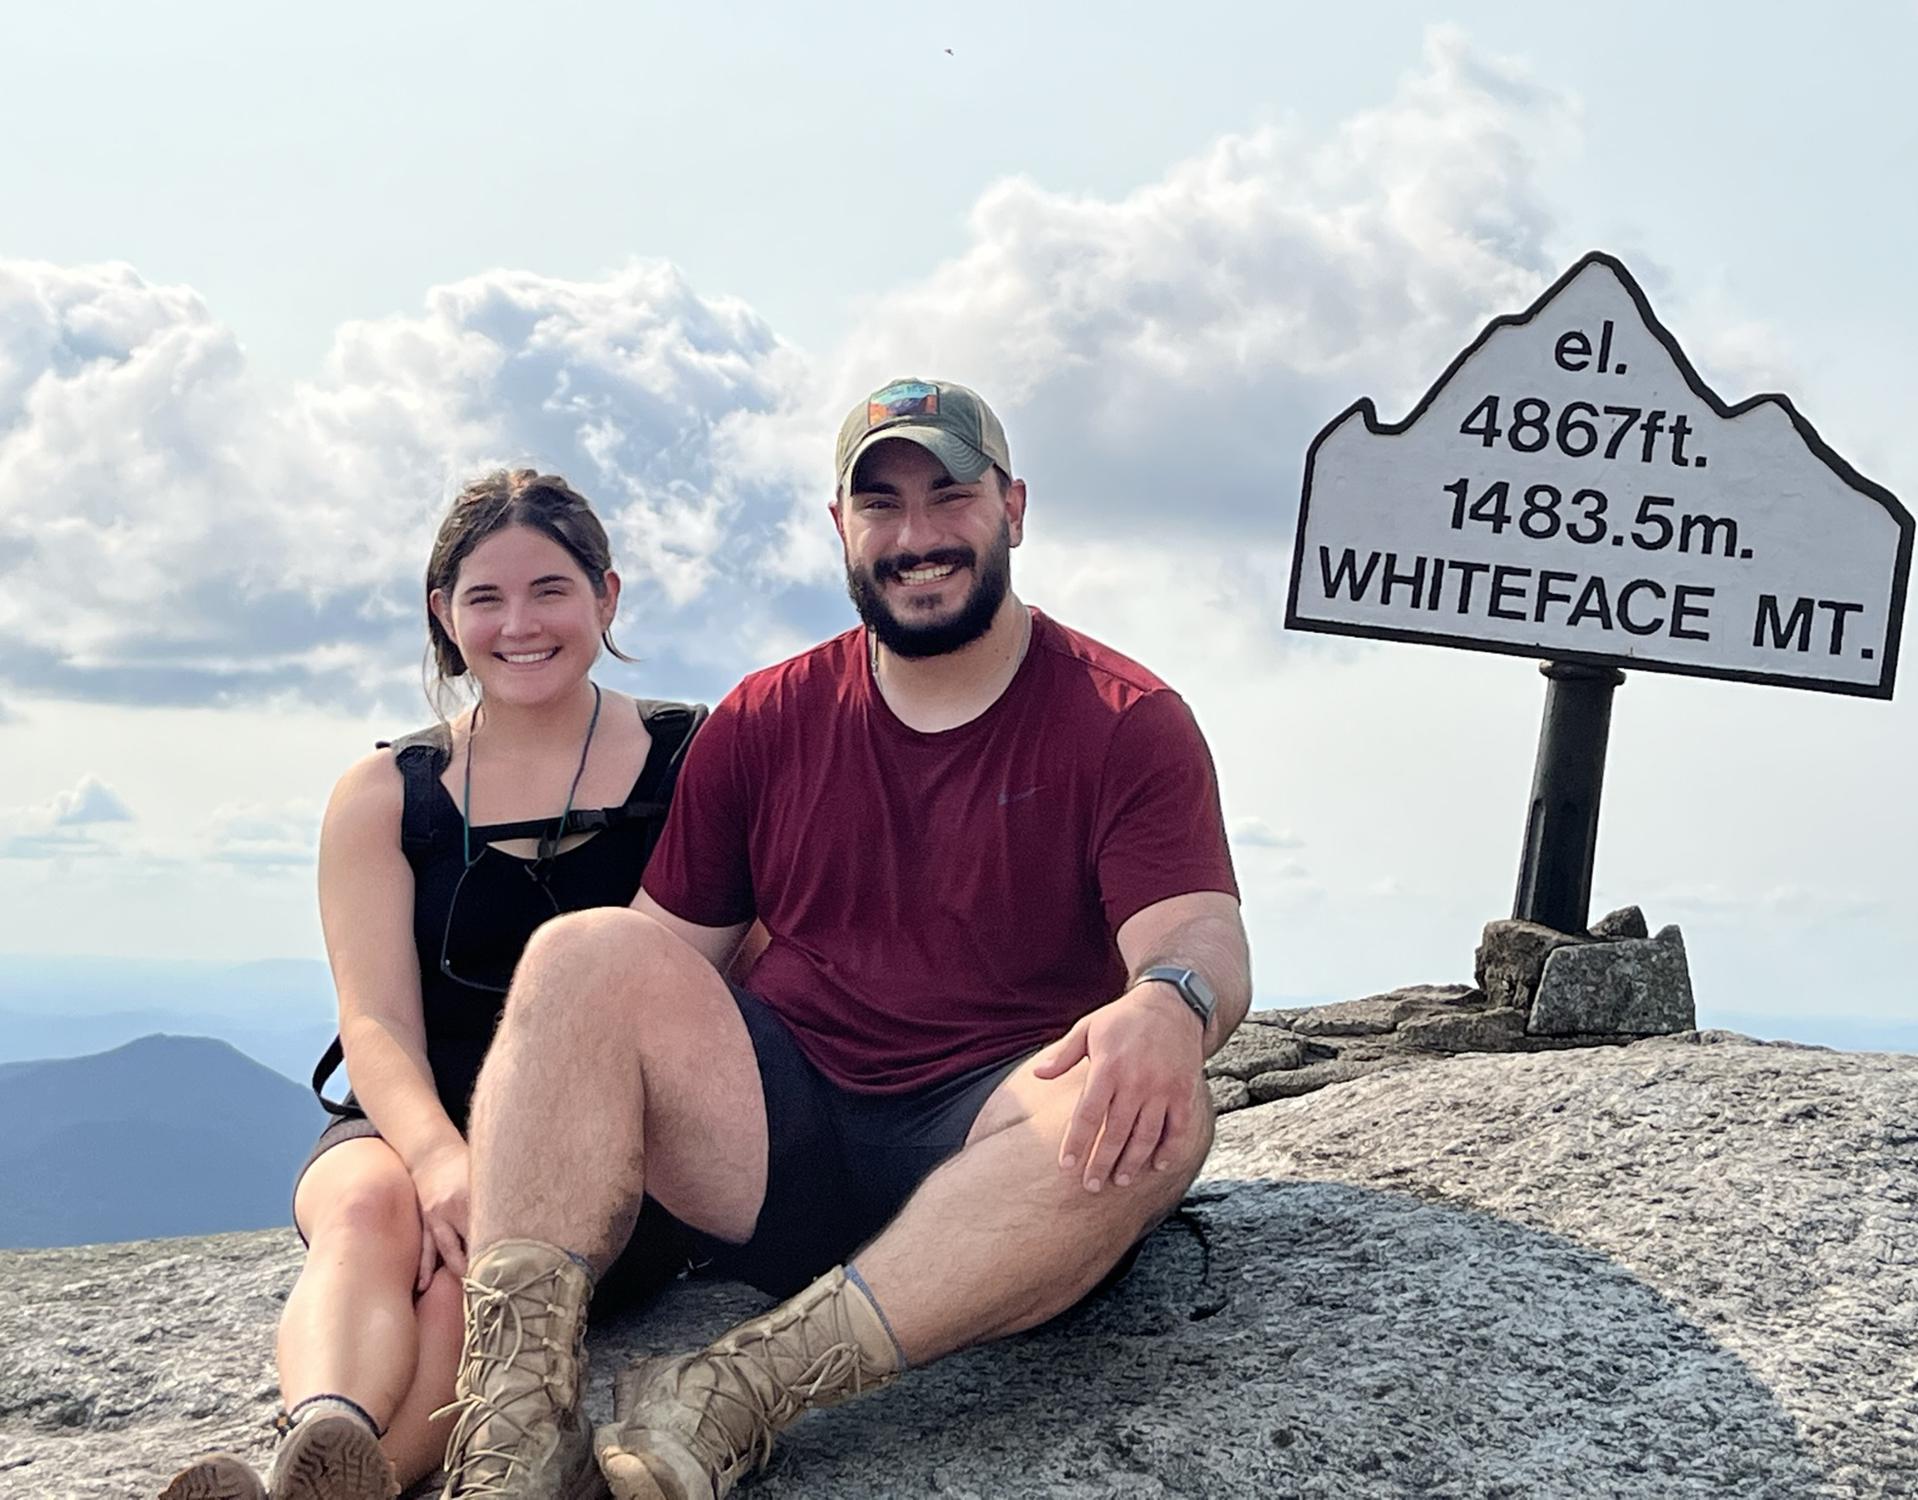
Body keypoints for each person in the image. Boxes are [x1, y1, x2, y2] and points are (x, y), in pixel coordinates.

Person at [437, 379, 1250, 1500]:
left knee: (1163, 1117)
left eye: (949, 497)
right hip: (778, 1144)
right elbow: (652, 968)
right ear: (840, 527)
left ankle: (732, 1393)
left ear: (1012, 507)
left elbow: (1196, 930)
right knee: (581, 954)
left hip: (990, 1157)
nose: (916, 537)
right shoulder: (767, 718)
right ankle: (515, 1443)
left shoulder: (1122, 719)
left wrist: (1168, 1001)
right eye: (881, 506)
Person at [162, 471, 705, 1500]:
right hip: (410, 1120)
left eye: (549, 589)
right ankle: (323, 1433)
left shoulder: (693, 758)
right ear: (441, 614)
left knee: (474, 1287)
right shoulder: (383, 794)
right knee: (367, 1210)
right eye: (484, 598)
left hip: (603, 1148)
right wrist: (439, 1158)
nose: (518, 624)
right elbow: (371, 1017)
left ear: (607, 596)